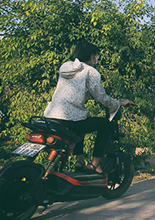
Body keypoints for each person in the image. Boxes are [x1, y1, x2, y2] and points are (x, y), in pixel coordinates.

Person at [44, 41, 132, 173]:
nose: (96, 59)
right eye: (96, 56)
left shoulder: (66, 67)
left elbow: (73, 90)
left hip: (51, 116)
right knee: (104, 125)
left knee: (81, 122)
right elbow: (101, 97)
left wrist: (86, 95)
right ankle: (95, 164)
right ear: (91, 56)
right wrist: (118, 103)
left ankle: (80, 160)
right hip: (69, 119)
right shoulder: (91, 72)